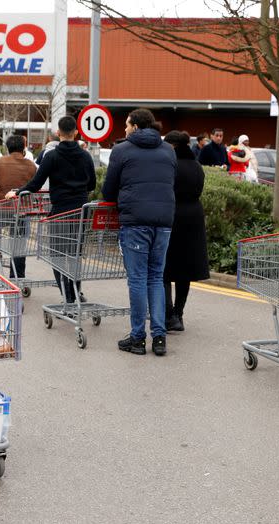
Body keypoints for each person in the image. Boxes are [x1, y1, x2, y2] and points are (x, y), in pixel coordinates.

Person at [102, 108, 176, 357]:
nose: (124, 129)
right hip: (164, 221)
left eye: (126, 125)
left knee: (137, 279)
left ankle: (137, 338)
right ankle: (159, 337)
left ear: (134, 126)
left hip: (135, 221)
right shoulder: (168, 150)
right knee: (156, 277)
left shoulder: (122, 150)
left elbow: (108, 191)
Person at [7, 116, 96, 303]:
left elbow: (36, 184)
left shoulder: (52, 156)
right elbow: (92, 184)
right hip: (81, 211)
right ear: (76, 133)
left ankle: (68, 296)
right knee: (75, 255)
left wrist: (17, 192)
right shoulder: (85, 156)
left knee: (57, 255)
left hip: (61, 211)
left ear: (58, 133)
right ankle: (75, 293)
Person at [161, 131, 210, 332]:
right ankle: (179, 315)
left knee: (164, 269)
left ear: (173, 146)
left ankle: (168, 315)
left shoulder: (170, 166)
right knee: (185, 271)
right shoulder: (196, 166)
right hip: (194, 218)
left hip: (172, 216)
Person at [0, 135, 37, 276]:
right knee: (19, 244)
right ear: (23, 148)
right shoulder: (31, 165)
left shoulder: (0, 161)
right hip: (22, 209)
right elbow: (35, 184)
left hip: (3, 206)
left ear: (7, 148)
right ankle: (18, 277)